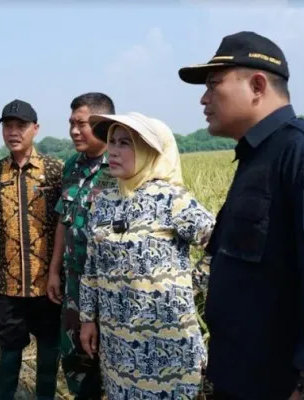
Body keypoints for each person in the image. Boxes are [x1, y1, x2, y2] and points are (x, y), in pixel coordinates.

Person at [177, 31, 304, 400]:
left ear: (258, 84)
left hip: (290, 387)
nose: (203, 99)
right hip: (245, 377)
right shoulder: (256, 156)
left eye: (213, 85)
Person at [78, 112, 215, 399]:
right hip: (118, 344)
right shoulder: (104, 201)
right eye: (112, 142)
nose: (113, 150)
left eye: (125, 143)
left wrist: (191, 286)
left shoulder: (171, 199)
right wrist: (88, 319)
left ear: (149, 151)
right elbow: (91, 266)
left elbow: (223, 245)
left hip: (169, 342)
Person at [0, 99, 63, 400]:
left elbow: (67, 224)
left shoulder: (54, 171)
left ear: (35, 129)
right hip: (9, 288)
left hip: (48, 287)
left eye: (20, 126)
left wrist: (60, 274)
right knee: (9, 352)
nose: (13, 132)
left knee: (49, 353)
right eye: (8, 126)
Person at [46, 92, 116, 400]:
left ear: (102, 123)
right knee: (76, 359)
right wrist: (54, 271)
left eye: (82, 124)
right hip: (74, 283)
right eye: (71, 123)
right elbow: (64, 219)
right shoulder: (72, 165)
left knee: (111, 362)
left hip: (109, 286)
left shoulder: (121, 163)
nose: (75, 131)